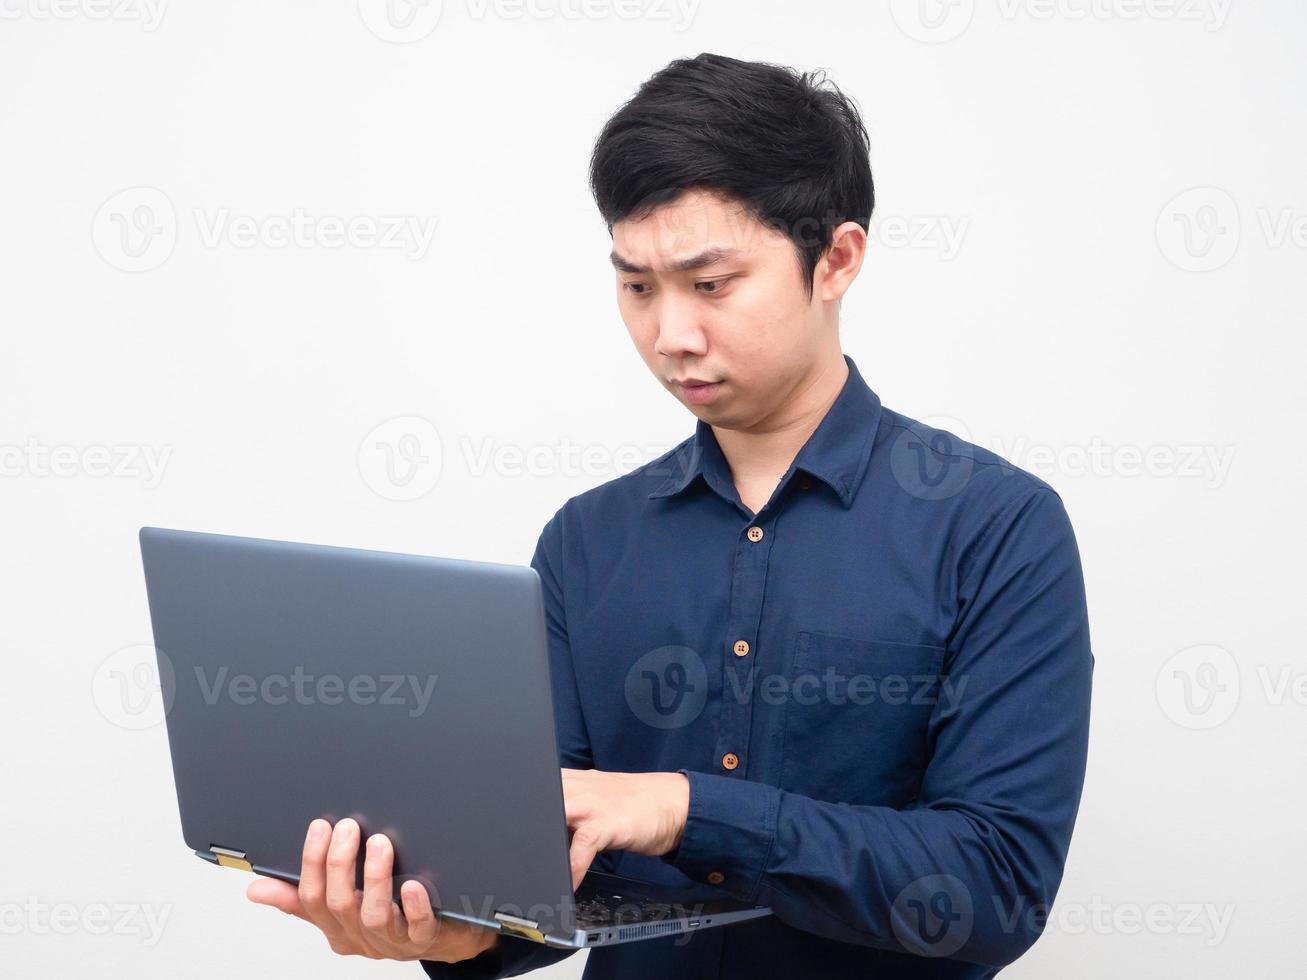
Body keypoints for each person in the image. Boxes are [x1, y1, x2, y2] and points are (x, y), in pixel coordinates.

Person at [246, 52, 1093, 978]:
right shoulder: (585, 542)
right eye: (637, 285)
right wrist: (454, 932)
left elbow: (996, 888)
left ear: (837, 260)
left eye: (711, 283)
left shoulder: (996, 528)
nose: (669, 335)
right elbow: (546, 870)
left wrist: (688, 809)